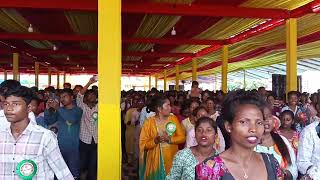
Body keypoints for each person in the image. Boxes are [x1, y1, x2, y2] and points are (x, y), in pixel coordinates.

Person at [196, 90, 283, 179]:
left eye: (259, 122)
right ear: (228, 126)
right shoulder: (209, 169)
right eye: (243, 122)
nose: (253, 129)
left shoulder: (271, 163)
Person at [0, 86, 74, 179]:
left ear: (29, 108)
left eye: (15, 104)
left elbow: (63, 173)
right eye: (6, 104)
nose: (9, 109)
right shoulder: (1, 136)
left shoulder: (45, 137)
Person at [139, 95, 185, 179]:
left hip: (171, 160)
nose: (170, 108)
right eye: (167, 105)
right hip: (155, 163)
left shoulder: (173, 119)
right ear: (159, 109)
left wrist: (170, 139)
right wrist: (155, 141)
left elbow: (182, 138)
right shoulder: (148, 123)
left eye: (170, 105)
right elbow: (144, 144)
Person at [44, 88, 83, 179]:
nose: (62, 99)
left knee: (73, 173)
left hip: (74, 148)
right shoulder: (60, 110)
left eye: (65, 96)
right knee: (59, 173)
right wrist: (47, 110)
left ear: (72, 97)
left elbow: (71, 119)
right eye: (60, 97)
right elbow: (49, 121)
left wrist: (57, 108)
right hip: (60, 146)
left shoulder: (78, 110)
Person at [255, 105, 298, 179]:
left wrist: (287, 174)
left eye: (269, 116)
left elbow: (292, 166)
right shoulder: (250, 145)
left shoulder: (282, 140)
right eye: (262, 117)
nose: (266, 120)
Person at [77, 78, 98, 180]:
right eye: (89, 95)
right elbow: (79, 95)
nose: (92, 96)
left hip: (96, 140)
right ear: (86, 98)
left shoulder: (99, 107)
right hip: (84, 140)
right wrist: (90, 83)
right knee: (82, 164)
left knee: (93, 165)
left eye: (94, 95)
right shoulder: (82, 107)